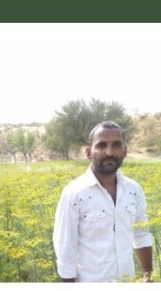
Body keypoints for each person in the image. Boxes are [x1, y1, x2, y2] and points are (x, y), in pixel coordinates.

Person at [53, 121, 153, 282]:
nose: (109, 152)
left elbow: (141, 234)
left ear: (125, 151)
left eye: (116, 145)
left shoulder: (134, 190)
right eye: (101, 145)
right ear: (88, 152)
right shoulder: (74, 194)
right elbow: (66, 249)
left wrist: (148, 277)